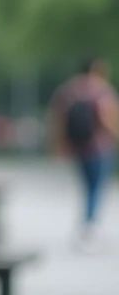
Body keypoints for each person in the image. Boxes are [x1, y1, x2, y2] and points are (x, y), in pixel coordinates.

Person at [49, 56, 119, 253]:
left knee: (87, 188)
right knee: (96, 188)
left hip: (78, 147)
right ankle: (89, 228)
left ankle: (86, 226)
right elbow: (106, 118)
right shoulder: (101, 90)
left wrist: (58, 145)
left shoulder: (68, 91)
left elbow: (57, 119)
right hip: (99, 147)